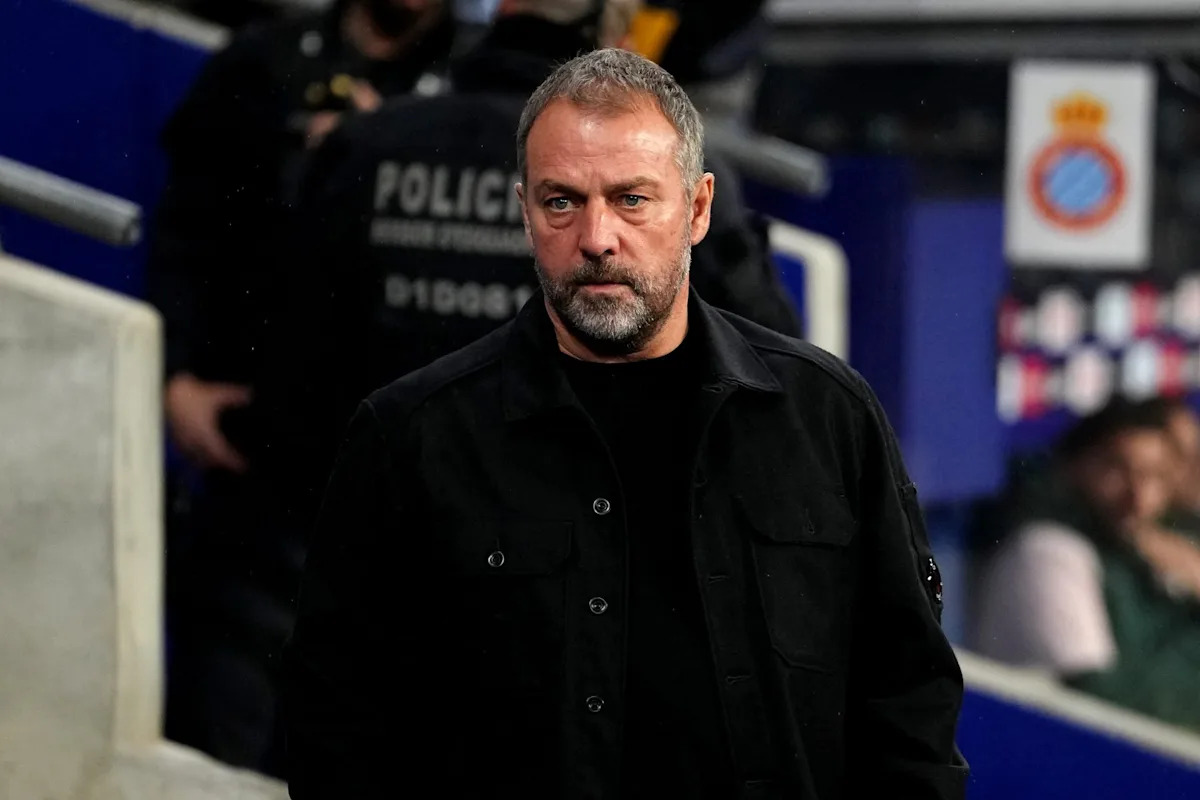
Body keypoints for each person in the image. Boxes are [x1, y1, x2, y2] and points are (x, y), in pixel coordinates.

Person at [285, 48, 966, 799]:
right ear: (524, 213)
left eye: (632, 199)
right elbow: (335, 731)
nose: (597, 237)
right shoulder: (410, 437)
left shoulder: (827, 417)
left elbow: (910, 702)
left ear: (698, 209)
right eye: (561, 202)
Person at [260, 0, 798, 523]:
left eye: (628, 201)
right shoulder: (669, 174)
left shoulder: (364, 142)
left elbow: (292, 353)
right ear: (614, 43)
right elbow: (768, 366)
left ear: (504, 17)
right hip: (594, 521)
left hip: (379, 514)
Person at [147, 0, 455, 775]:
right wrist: (175, 376)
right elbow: (185, 232)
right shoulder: (263, 62)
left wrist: (381, 153)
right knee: (213, 750)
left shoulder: (474, 106)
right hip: (255, 478)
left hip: (399, 512)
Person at [975, 398, 1200, 732]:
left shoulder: (1154, 548)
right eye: (1116, 470)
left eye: (1156, 476)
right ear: (1072, 467)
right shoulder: (1047, 552)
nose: (1138, 497)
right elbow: (1098, 708)